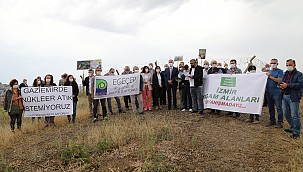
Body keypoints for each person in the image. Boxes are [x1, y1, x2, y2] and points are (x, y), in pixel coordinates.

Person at [279, 59, 303, 139]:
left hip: (293, 97)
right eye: (287, 65)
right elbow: (282, 81)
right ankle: (292, 127)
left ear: (294, 65)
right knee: (286, 113)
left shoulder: (299, 74)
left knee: (295, 115)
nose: (288, 66)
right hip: (284, 95)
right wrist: (280, 85)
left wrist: (287, 85)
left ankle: (297, 132)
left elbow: (299, 84)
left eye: (290, 65)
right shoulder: (285, 73)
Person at [265, 58, 284, 128]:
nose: (273, 64)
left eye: (274, 63)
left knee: (279, 107)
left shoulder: (280, 71)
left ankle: (280, 122)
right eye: (272, 63)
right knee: (270, 107)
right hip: (268, 91)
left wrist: (270, 76)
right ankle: (272, 120)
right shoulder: (268, 71)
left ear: (277, 64)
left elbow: (279, 80)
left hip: (277, 92)